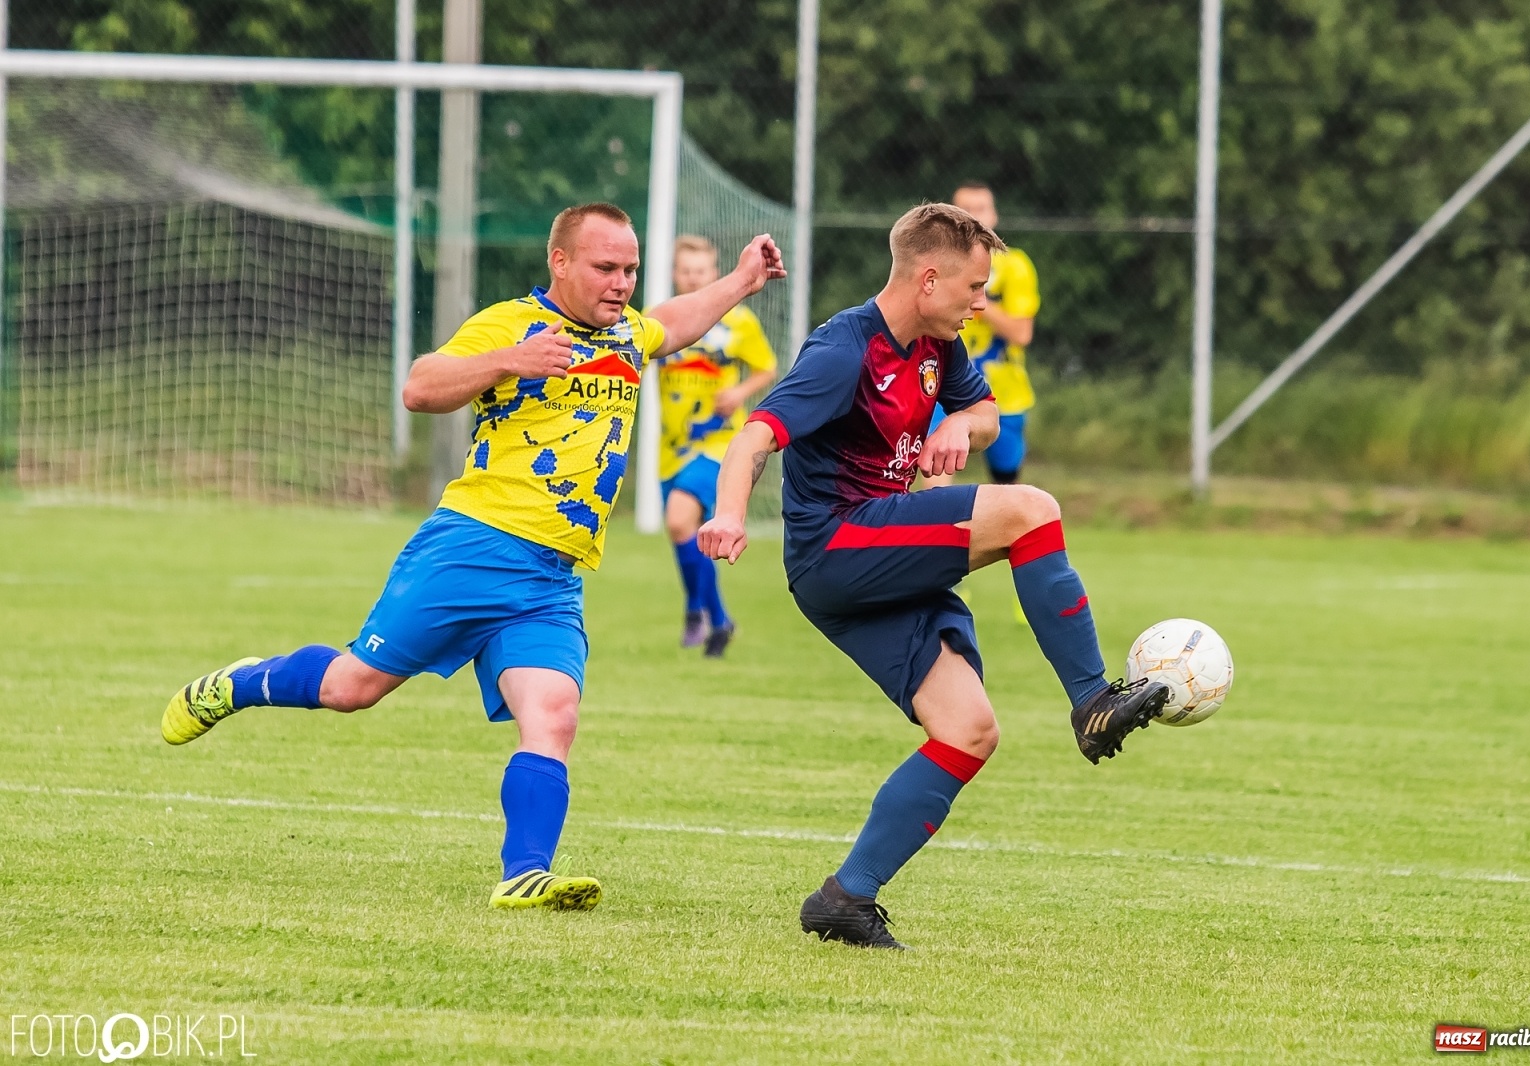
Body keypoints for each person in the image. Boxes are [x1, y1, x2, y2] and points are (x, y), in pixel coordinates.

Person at [160, 203, 785, 912]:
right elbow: (421, 385)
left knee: (553, 713)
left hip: (553, 578)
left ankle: (525, 873)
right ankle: (240, 683)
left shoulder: (628, 333)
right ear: (561, 263)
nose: (622, 283)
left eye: (631, 269)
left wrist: (740, 279)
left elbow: (674, 321)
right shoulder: (513, 324)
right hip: (473, 548)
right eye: (606, 267)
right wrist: (510, 362)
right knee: (350, 688)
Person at [698, 203, 1167, 949]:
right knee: (1031, 510)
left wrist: (959, 423)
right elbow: (755, 435)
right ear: (927, 280)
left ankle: (845, 899)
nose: (981, 303)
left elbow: (982, 413)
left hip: (875, 560)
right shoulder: (844, 350)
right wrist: (727, 513)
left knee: (969, 730)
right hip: (837, 547)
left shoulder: (937, 345)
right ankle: (1089, 699)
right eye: (974, 288)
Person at [656, 235, 778, 655]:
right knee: (686, 534)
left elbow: (767, 367)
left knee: (678, 520)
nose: (693, 278)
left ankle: (697, 609)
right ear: (676, 274)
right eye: (686, 270)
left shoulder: (738, 321)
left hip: (719, 443)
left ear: (715, 273)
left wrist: (739, 392)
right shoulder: (662, 319)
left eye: (701, 270)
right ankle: (717, 618)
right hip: (673, 445)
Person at [921, 180, 1039, 488]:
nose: (974, 218)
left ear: (995, 215)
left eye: (981, 209)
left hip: (1003, 393)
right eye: (965, 210)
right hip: (941, 385)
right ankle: (937, 535)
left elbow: (1022, 333)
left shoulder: (1016, 267)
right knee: (934, 474)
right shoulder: (935, 266)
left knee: (1006, 485)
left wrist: (975, 294)